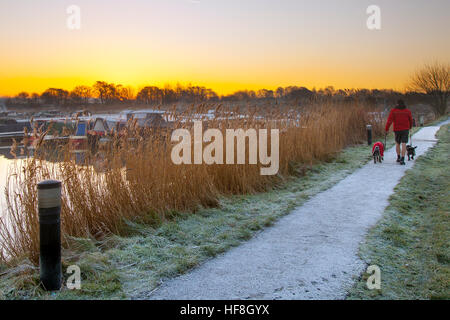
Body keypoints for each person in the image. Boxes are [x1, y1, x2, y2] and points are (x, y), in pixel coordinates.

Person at [385, 100, 413, 165]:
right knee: (404, 143)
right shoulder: (407, 111)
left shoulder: (393, 111)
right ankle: (402, 159)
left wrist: (387, 129)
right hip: (405, 129)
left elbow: (389, 121)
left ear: (397, 104)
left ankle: (398, 157)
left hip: (397, 129)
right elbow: (411, 120)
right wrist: (410, 127)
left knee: (397, 143)